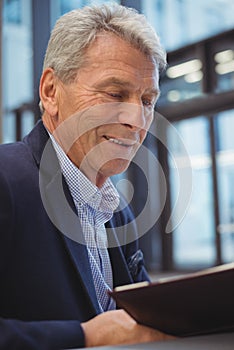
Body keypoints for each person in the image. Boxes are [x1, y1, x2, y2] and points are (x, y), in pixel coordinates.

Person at [0, 3, 170, 349]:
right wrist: (84, 336)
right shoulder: (6, 182)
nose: (137, 121)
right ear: (51, 92)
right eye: (115, 94)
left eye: (148, 100)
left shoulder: (117, 210)